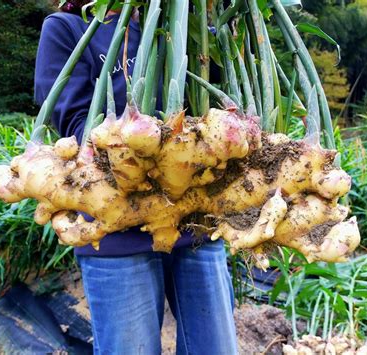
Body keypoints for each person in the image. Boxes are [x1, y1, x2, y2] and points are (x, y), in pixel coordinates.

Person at [34, 2, 238, 354]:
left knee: (217, 347)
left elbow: (215, 105)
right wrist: (143, 150)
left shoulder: (176, 21)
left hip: (195, 219)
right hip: (116, 227)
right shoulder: (66, 27)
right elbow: (72, 120)